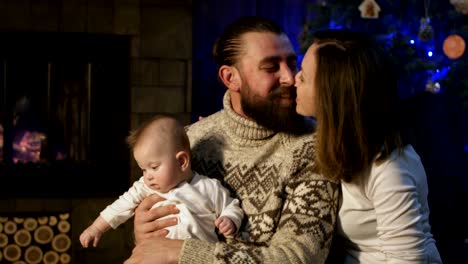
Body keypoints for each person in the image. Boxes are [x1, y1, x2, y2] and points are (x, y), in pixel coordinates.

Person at [124, 16, 340, 264]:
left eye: (292, 64)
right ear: (230, 78)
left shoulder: (313, 147)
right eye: (271, 67)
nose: (289, 78)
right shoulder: (190, 140)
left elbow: (300, 258)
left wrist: (181, 252)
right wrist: (144, 232)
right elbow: (156, 238)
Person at [295, 28, 442, 263]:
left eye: (303, 76)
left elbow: (408, 259)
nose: (293, 80)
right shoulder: (327, 140)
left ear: (331, 95)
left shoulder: (389, 169)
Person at [79, 114, 244, 248]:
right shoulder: (145, 187)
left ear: (182, 161)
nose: (147, 176)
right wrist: (97, 228)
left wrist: (230, 221)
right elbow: (120, 206)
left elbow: (231, 206)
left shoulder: (208, 187)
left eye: (154, 167)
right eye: (143, 169)